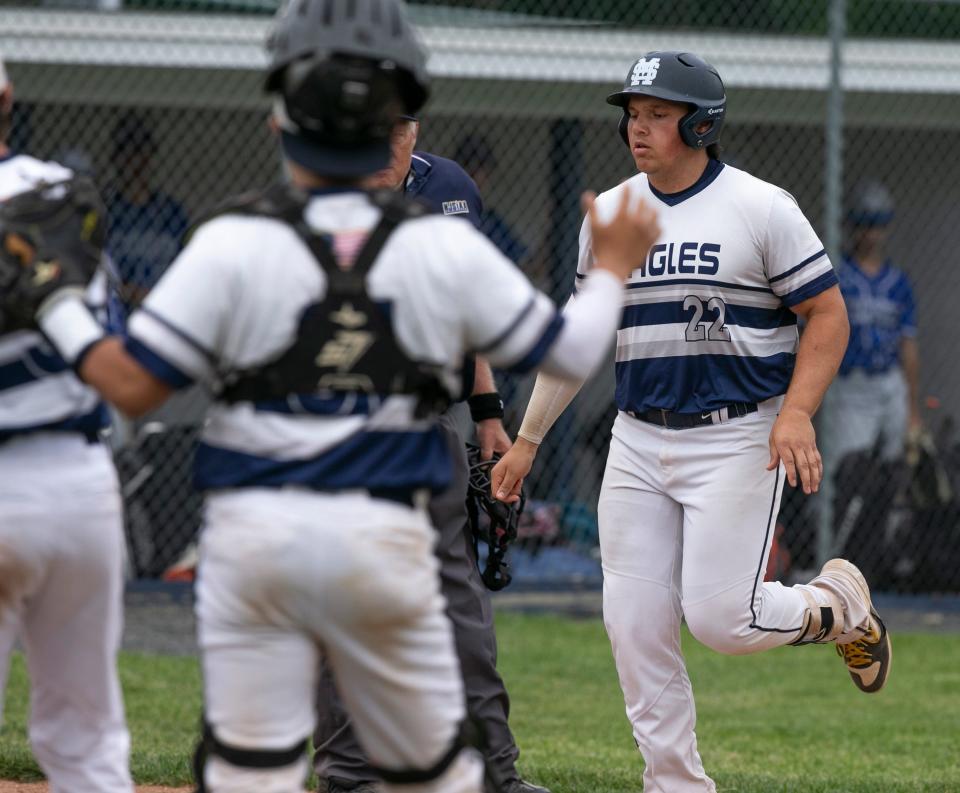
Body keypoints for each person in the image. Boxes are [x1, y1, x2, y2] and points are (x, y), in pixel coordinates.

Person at [0, 3, 661, 792]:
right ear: (401, 124)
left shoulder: (233, 239)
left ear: (280, 121)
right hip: (385, 537)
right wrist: (614, 265)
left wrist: (53, 301)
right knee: (430, 766)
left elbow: (130, 385)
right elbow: (572, 349)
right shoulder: (437, 244)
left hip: (261, 539)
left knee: (255, 765)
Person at [491, 51, 892, 793]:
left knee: (722, 621)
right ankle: (675, 783)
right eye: (632, 115)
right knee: (635, 623)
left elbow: (826, 313)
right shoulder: (611, 214)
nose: (637, 129)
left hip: (738, 433)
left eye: (657, 115)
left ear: (702, 123)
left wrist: (797, 411)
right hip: (638, 436)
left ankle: (838, 606)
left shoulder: (760, 206)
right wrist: (527, 440)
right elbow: (582, 338)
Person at [313, 113, 549, 793]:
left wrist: (487, 411)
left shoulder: (450, 188)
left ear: (414, 128)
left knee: (460, 608)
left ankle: (494, 773)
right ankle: (350, 777)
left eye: (395, 127)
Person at [0, 58, 134, 793]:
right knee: (85, 739)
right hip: (80, 484)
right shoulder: (58, 193)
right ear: (8, 98)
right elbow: (114, 340)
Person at [815, 182, 920, 561]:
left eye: (877, 224)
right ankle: (833, 554)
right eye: (864, 223)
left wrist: (911, 409)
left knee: (895, 471)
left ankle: (886, 553)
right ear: (852, 226)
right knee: (845, 472)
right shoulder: (839, 275)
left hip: (888, 383)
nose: (870, 233)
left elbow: (909, 345)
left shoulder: (898, 283)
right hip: (851, 386)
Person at [107, 111, 189, 310]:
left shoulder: (172, 214)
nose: (135, 161)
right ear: (116, 158)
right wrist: (128, 292)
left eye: (141, 152)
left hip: (164, 311)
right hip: (117, 314)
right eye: (127, 153)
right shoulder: (106, 212)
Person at [453, 134, 528, 266]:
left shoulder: (490, 221)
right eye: (470, 169)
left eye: (481, 169)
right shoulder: (443, 213)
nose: (476, 176)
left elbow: (526, 263)